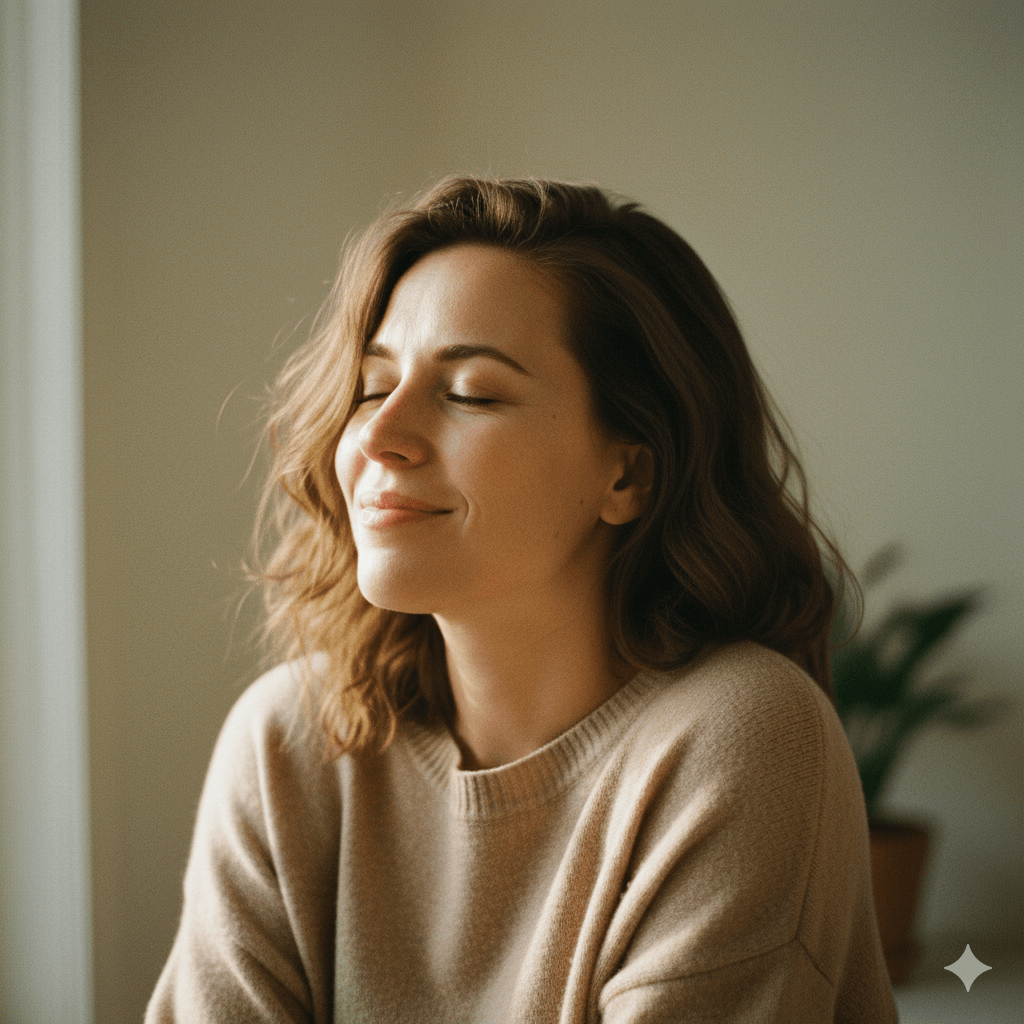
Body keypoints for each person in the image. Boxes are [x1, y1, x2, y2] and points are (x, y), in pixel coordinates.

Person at [146, 176, 898, 1022]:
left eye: (471, 393)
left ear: (628, 473)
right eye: (372, 386)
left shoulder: (741, 734)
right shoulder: (287, 741)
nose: (379, 436)